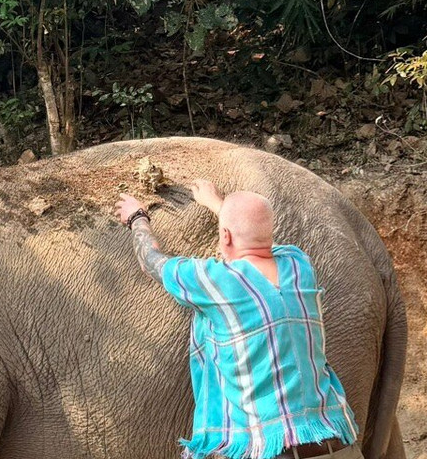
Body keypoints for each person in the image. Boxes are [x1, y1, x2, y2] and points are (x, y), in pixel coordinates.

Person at [114, 179, 363, 459]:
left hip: (270, 450)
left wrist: (137, 218)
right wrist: (220, 207)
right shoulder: (299, 264)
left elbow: (151, 262)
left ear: (226, 236)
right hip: (340, 447)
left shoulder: (218, 280)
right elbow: (259, 241)